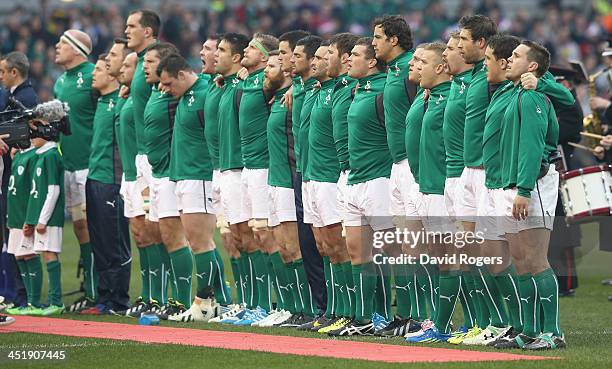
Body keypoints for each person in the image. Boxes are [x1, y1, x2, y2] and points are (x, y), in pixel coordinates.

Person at [495, 40, 566, 350]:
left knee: (536, 260)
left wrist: (524, 189)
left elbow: (532, 146)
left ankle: (553, 332)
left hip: (532, 184)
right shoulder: (516, 94)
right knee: (520, 261)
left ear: (532, 66)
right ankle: (529, 329)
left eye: (516, 56)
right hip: (514, 183)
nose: (508, 59)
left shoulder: (533, 97)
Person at [328, 37, 390, 336]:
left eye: (354, 55)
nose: (348, 59)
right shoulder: (356, 89)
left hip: (379, 178)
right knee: (356, 251)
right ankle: (363, 317)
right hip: (352, 177)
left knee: (387, 251)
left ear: (372, 62)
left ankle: (388, 315)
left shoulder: (385, 89)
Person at [155, 53, 219, 322]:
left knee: (201, 242)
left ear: (182, 74)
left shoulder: (205, 92)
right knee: (198, 243)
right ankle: (216, 303)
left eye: (169, 84)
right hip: (184, 175)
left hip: (200, 175)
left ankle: (206, 305)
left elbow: (216, 134)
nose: (165, 90)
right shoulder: (187, 93)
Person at [405, 42, 455, 343]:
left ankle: (449, 324)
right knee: (431, 259)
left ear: (439, 67)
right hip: (422, 185)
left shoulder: (451, 97)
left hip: (440, 188)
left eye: (421, 61)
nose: (415, 65)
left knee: (450, 260)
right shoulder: (426, 95)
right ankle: (435, 320)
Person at [371, 17, 416, 333]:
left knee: (417, 245)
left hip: (414, 166)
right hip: (397, 165)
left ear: (395, 39)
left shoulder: (413, 67)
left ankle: (421, 316)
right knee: (399, 244)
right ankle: (406, 315)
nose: (373, 42)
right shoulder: (393, 70)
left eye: (378, 37)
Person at [278, 31, 326, 317]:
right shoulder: (299, 86)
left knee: (327, 244)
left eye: (294, 54)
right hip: (304, 171)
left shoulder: (317, 87)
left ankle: (328, 306)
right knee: (310, 243)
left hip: (322, 172)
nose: (287, 59)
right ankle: (317, 305)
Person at [314, 32, 360, 335]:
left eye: (327, 54)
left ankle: (357, 312)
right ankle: (339, 310)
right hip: (328, 175)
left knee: (348, 247)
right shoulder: (332, 88)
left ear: (343, 58)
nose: (323, 60)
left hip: (340, 174)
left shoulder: (355, 87)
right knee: (330, 247)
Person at [233, 33, 280, 325]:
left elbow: (281, 77)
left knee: (267, 235)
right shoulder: (248, 78)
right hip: (248, 166)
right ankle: (257, 303)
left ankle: (273, 304)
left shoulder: (267, 79)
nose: (245, 50)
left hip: (264, 165)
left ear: (265, 56)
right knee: (251, 236)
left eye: (251, 47)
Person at [251, 50, 299, 327]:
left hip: (289, 179)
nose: (265, 72)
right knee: (283, 247)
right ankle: (288, 305)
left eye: (272, 65)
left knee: (294, 247)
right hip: (275, 179)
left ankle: (302, 307)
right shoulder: (274, 100)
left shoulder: (292, 97)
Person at [80, 54, 130, 315]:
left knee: (114, 243)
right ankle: (103, 298)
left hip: (112, 180)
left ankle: (118, 301)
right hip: (95, 177)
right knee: (99, 243)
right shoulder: (99, 101)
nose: (93, 74)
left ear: (112, 75)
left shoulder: (120, 102)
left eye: (98, 69)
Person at [300, 40, 344, 331]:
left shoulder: (339, 91)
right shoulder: (313, 91)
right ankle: (331, 309)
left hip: (329, 177)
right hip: (310, 176)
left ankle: (347, 310)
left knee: (340, 247)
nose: (316, 62)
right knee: (323, 246)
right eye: (314, 57)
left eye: (322, 57)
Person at [53, 29, 98, 309]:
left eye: (62, 43)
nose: (56, 47)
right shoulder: (59, 82)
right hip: (67, 163)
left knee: (91, 227)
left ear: (77, 49)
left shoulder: (94, 74)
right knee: (79, 228)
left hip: (90, 164)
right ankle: (90, 289)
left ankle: (98, 290)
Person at [125, 10, 166, 315]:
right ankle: (152, 296)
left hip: (154, 155)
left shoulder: (157, 59)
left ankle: (167, 297)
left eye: (131, 26)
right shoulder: (140, 63)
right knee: (142, 231)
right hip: (140, 157)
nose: (126, 31)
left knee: (161, 229)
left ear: (149, 32)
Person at [140, 42, 185, 319]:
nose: (146, 67)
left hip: (171, 172)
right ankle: (166, 297)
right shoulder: (157, 91)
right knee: (161, 236)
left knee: (176, 237)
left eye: (151, 62)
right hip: (156, 172)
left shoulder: (174, 94)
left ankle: (183, 299)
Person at [199, 35, 236, 311]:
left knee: (246, 238)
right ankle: (232, 302)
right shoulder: (211, 84)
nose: (203, 53)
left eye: (213, 49)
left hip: (235, 169)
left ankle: (256, 303)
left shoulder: (232, 84)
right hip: (217, 170)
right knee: (229, 239)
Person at [0, 51, 39, 311]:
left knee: (14, 233)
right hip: (12, 174)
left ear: (15, 72)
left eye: (3, 71)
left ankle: (16, 293)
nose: (0, 76)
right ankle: (13, 292)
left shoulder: (22, 98)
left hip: (15, 175)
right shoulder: (18, 96)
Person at [23, 132, 66, 315]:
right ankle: (51, 300)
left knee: (50, 254)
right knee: (46, 254)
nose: (31, 137)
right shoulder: (41, 155)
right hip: (42, 216)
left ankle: (56, 301)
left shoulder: (51, 155)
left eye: (34, 133)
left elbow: (53, 190)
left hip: (50, 217)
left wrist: (42, 220)